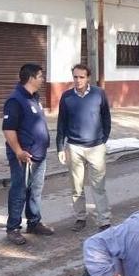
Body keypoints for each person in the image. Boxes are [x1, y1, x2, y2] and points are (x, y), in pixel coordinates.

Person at [56, 64, 112, 232]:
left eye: (81, 77)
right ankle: (80, 217)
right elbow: (61, 124)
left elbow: (106, 118)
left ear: (88, 78)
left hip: (96, 147)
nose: (78, 80)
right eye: (75, 77)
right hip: (74, 147)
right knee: (76, 186)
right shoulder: (66, 97)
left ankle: (104, 220)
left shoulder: (99, 94)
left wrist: (103, 140)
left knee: (98, 186)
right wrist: (60, 147)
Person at [2, 63, 54, 245]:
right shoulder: (15, 100)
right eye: (40, 76)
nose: (42, 79)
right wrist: (18, 151)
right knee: (19, 191)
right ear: (31, 78)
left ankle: (34, 222)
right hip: (24, 156)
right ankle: (13, 228)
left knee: (35, 191)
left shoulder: (34, 97)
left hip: (39, 154)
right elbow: (8, 130)